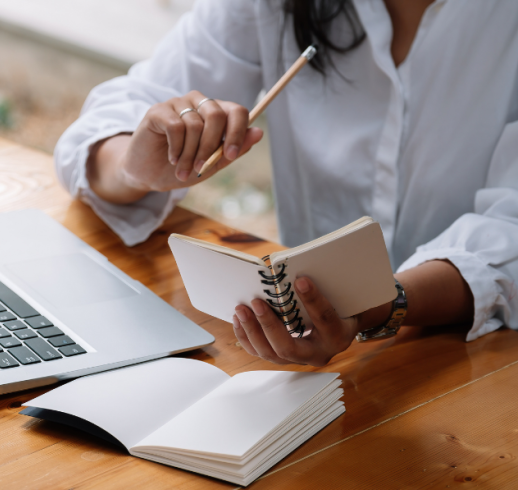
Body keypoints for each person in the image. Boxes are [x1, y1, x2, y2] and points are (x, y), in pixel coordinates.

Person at [54, 0, 518, 366]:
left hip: (478, 361)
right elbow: (119, 115)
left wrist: (376, 307)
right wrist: (134, 167)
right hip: (305, 361)